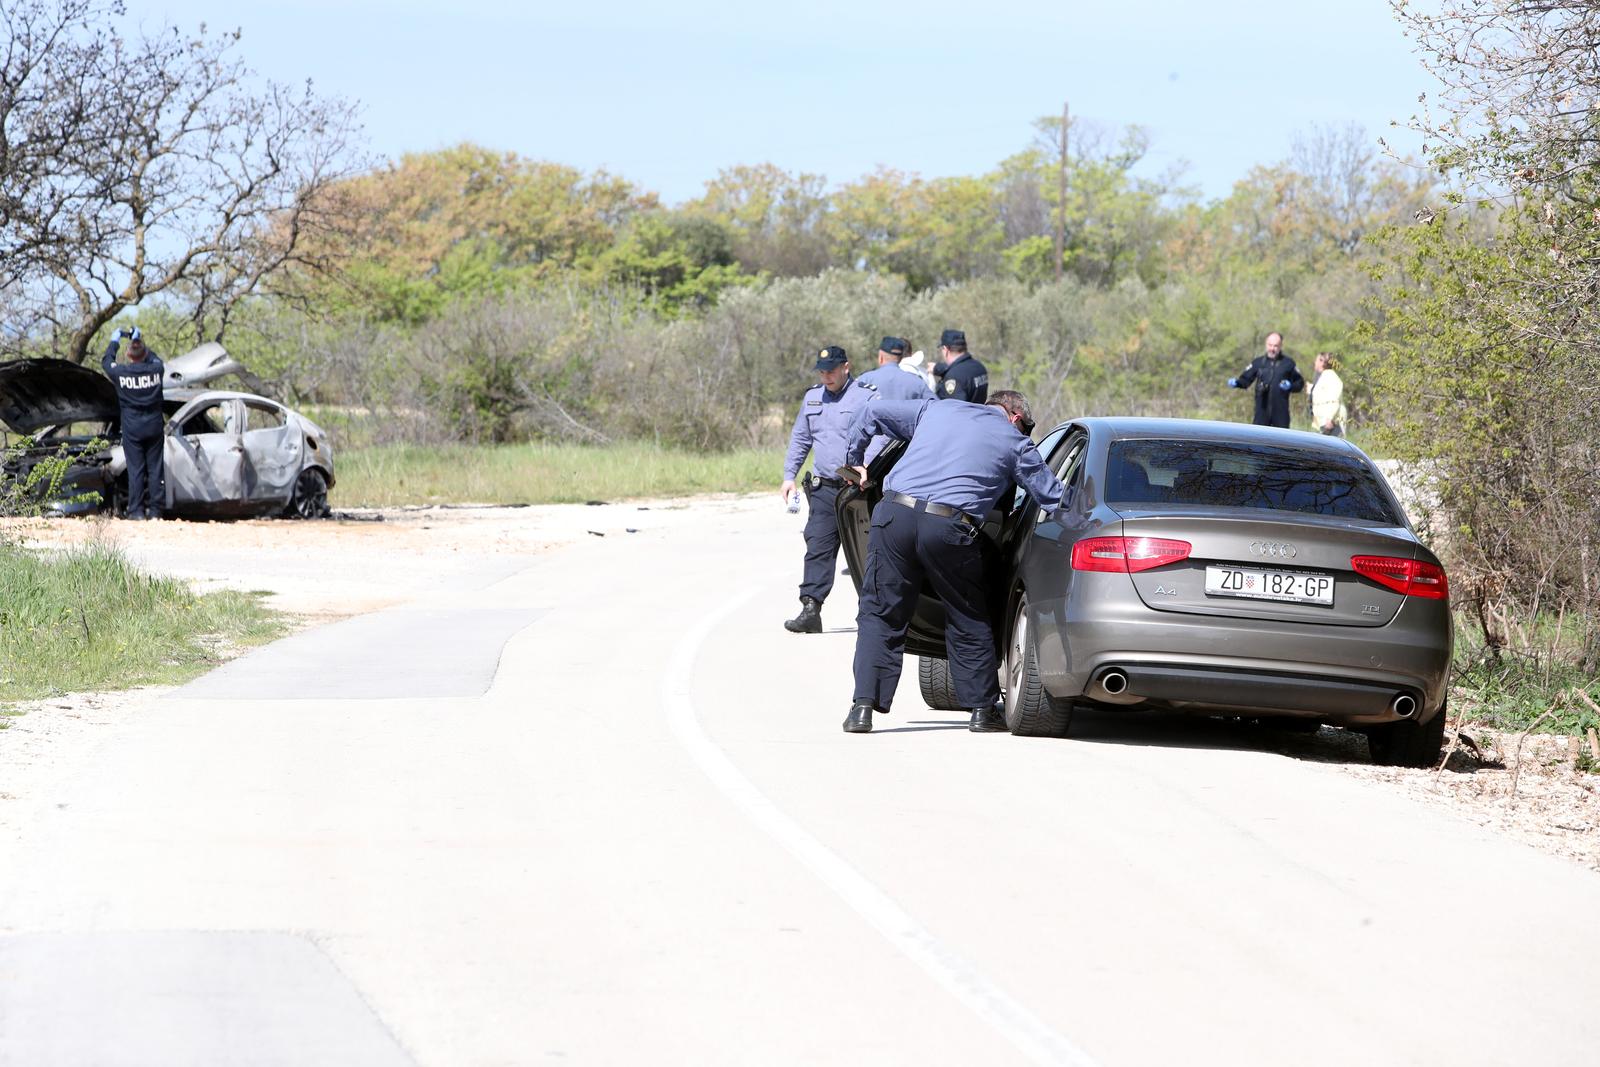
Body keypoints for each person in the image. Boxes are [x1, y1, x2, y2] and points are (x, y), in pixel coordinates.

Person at [838, 390, 1065, 734]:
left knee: (880, 612)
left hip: (894, 515)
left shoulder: (935, 409)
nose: (1025, 434)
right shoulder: (1014, 442)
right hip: (949, 527)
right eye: (1026, 427)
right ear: (1016, 416)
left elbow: (868, 412)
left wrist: (855, 459)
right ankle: (981, 710)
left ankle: (862, 708)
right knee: (967, 614)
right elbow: (1053, 497)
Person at [780, 346, 876, 633]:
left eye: (831, 371)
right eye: (822, 372)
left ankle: (871, 613)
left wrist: (867, 467)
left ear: (846, 367)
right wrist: (789, 476)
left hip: (858, 490)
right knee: (818, 547)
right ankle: (811, 608)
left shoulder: (866, 396)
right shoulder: (812, 398)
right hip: (824, 490)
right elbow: (800, 439)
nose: (826, 377)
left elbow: (881, 436)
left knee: (867, 551)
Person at [101, 327, 165, 520]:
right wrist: (140, 341)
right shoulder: (156, 369)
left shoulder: (122, 373)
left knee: (135, 470)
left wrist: (115, 341)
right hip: (154, 427)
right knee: (155, 469)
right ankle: (156, 512)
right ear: (144, 354)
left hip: (133, 429)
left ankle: (136, 511)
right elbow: (155, 359)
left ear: (128, 355)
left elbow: (106, 362)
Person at [1226, 331, 1303, 428]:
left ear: (1280, 346)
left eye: (1275, 346)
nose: (1272, 349)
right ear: (1266, 345)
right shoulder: (1258, 363)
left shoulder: (1288, 363)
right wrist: (1237, 383)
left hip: (1280, 414)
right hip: (1261, 413)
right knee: (1257, 440)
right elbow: (1245, 380)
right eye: (1270, 345)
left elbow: (1300, 384)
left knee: (1280, 441)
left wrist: (1290, 386)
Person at [854, 336, 935, 401]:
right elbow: (935, 406)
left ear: (881, 357)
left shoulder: (865, 379)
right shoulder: (918, 383)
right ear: (900, 358)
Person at [930, 328, 988, 403]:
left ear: (945, 349)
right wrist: (936, 368)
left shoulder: (953, 376)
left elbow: (955, 410)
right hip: (980, 413)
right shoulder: (980, 367)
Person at [1308, 352, 1348, 436]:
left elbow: (1334, 399)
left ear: (1322, 362)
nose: (1315, 363)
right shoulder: (1323, 376)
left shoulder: (1330, 376)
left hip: (1330, 423)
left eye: (1317, 360)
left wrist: (1330, 419)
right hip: (1323, 422)